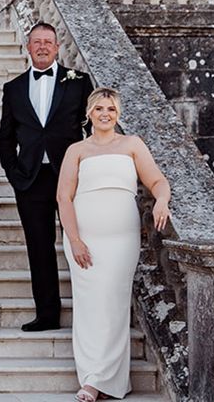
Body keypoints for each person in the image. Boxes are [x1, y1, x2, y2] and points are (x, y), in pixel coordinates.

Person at [57, 88, 171, 402]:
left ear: (118, 113)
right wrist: (76, 240)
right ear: (89, 113)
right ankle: (93, 380)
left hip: (122, 240)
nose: (105, 114)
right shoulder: (76, 150)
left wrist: (162, 200)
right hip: (84, 239)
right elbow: (63, 197)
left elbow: (157, 181)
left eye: (110, 109)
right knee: (89, 306)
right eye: (98, 109)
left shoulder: (132, 145)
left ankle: (110, 380)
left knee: (114, 305)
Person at [0, 21, 94, 331]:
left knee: (81, 242)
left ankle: (90, 312)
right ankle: (47, 315)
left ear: (57, 47)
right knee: (39, 247)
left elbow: (91, 129)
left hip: (71, 177)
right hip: (30, 178)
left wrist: (87, 169)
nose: (41, 47)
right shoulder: (13, 89)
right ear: (28, 48)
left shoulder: (78, 82)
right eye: (36, 42)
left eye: (47, 42)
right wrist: (14, 173)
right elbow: (5, 138)